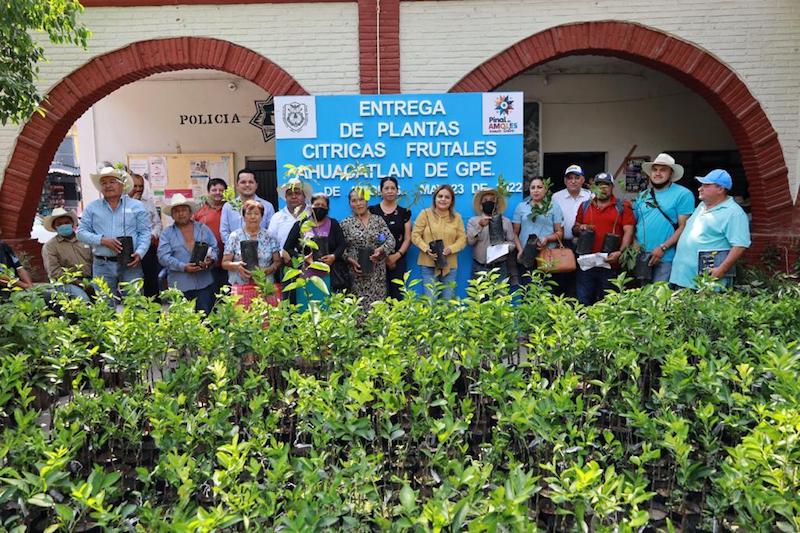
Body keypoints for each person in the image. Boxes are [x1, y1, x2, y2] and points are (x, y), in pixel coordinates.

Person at [77, 166, 151, 300]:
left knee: (135, 305)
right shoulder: (92, 208)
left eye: (112, 181)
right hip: (102, 264)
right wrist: (102, 240)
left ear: (122, 185)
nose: (108, 186)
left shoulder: (136, 206)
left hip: (130, 263)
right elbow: (81, 233)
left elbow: (145, 232)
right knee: (104, 306)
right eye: (104, 182)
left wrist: (140, 253)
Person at [670, 169, 750, 290]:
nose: (700, 188)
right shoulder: (702, 206)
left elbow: (740, 245)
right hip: (681, 277)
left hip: (705, 283)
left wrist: (722, 269)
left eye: (706, 185)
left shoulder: (734, 213)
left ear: (720, 189)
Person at [572, 172, 636, 305]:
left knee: (609, 303)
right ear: (593, 188)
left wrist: (621, 252)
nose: (602, 188)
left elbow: (629, 231)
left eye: (606, 185)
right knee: (583, 301)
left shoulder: (622, 206)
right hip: (587, 263)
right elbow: (575, 229)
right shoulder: (585, 206)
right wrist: (581, 227)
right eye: (599, 185)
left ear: (612, 187)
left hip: (611, 263)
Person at [633, 153, 695, 282]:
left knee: (660, 298)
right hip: (642, 256)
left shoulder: (683, 194)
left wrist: (663, 247)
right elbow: (635, 223)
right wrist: (635, 244)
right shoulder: (642, 196)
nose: (657, 173)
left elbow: (684, 226)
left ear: (671, 173)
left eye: (663, 170)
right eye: (655, 170)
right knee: (641, 298)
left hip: (666, 257)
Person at [157, 194, 218, 314]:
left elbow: (214, 248)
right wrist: (183, 267)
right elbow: (163, 257)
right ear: (172, 215)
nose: (181, 214)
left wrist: (210, 260)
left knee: (205, 319)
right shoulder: (167, 233)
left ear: (190, 212)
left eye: (184, 210)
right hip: (179, 285)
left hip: (204, 283)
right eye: (176, 211)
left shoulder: (203, 228)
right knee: (182, 323)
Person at [283, 192, 347, 308]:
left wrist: (334, 256)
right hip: (306, 275)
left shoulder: (333, 224)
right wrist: (302, 258)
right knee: (307, 308)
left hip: (329, 275)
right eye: (317, 205)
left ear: (327, 208)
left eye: (323, 205)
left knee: (327, 308)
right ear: (311, 206)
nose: (320, 208)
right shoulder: (301, 224)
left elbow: (342, 244)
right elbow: (287, 247)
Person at [341, 187, 396, 309]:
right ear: (350, 203)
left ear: (367, 201)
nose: (358, 203)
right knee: (358, 313)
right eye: (354, 200)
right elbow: (340, 249)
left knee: (377, 313)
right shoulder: (345, 224)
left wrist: (381, 250)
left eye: (361, 199)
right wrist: (350, 260)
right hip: (357, 276)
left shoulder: (378, 221)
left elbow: (391, 240)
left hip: (377, 275)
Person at [221, 199, 281, 306]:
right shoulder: (235, 236)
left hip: (265, 285)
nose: (253, 217)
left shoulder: (269, 236)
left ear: (262, 217)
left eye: (256, 213)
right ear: (243, 216)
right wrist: (237, 266)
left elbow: (277, 261)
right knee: (242, 319)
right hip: (241, 287)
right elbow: (225, 263)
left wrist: (267, 270)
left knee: (266, 320)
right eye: (249, 213)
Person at [411, 184, 466, 301]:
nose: (443, 199)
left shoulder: (457, 217)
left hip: (449, 265)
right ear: (435, 198)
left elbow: (462, 239)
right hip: (429, 264)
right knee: (431, 303)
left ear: (451, 201)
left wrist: (452, 248)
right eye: (440, 196)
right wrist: (426, 249)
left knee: (447, 302)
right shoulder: (425, 214)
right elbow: (415, 235)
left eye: (447, 197)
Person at [513, 177, 564, 283]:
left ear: (545, 189)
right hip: (526, 255)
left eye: (539, 187)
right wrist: (520, 250)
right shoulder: (521, 207)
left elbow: (559, 232)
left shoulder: (554, 207)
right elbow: (514, 233)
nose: (536, 190)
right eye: (533, 188)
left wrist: (547, 238)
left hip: (546, 256)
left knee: (545, 291)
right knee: (526, 291)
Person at [551, 164, 591, 296]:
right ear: (565, 181)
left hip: (585, 244)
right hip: (564, 244)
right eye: (570, 178)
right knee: (562, 279)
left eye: (576, 177)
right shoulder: (556, 197)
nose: (573, 181)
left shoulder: (591, 196)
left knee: (583, 278)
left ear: (582, 180)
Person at [369, 177, 412, 299]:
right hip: (376, 260)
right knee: (378, 297)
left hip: (398, 260)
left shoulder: (404, 212)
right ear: (381, 191)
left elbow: (408, 238)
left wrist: (396, 256)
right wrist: (384, 257)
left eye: (393, 188)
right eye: (386, 188)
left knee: (397, 297)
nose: (390, 191)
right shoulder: (372, 211)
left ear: (397, 190)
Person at [467, 187, 520, 281]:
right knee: (479, 295)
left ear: (496, 205)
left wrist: (502, 247)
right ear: (480, 205)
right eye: (485, 200)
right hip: (479, 268)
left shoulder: (505, 221)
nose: (489, 202)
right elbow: (470, 242)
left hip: (500, 268)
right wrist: (480, 226)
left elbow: (512, 243)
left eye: (492, 200)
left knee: (500, 295)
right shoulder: (473, 221)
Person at [41, 208, 93, 301]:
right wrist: (79, 283)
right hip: (66, 283)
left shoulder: (85, 239)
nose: (64, 225)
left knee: (107, 299)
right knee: (83, 300)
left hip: (90, 279)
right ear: (54, 227)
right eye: (59, 224)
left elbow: (96, 261)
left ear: (72, 223)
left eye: (66, 222)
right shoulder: (50, 246)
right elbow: (55, 272)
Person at [220, 168, 275, 246]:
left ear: (256, 185)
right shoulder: (228, 206)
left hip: (261, 252)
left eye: (251, 182)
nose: (247, 185)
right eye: (243, 182)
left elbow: (271, 231)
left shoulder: (267, 206)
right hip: (235, 254)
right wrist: (234, 248)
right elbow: (224, 232)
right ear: (237, 186)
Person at [129, 173, 162, 298]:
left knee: (151, 282)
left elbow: (157, 223)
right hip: (130, 249)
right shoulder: (121, 204)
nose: (138, 189)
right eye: (135, 186)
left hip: (148, 248)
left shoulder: (148, 203)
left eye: (141, 186)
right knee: (133, 283)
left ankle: (155, 314)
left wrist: (153, 235)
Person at [193, 177, 228, 294]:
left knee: (227, 296)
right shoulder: (200, 211)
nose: (218, 193)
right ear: (208, 192)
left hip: (228, 259)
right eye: (214, 190)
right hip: (208, 260)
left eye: (221, 190)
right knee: (210, 295)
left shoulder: (231, 209)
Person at [269, 177, 312, 250]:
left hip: (310, 259)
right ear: (285, 197)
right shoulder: (277, 217)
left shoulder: (312, 214)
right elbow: (271, 241)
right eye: (290, 194)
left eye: (297, 193)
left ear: (304, 196)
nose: (294, 196)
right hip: (284, 259)